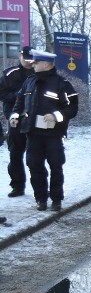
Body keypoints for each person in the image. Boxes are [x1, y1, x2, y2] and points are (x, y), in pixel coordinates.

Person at [9, 50, 78, 212]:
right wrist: (14, 116)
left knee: (56, 166)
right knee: (34, 166)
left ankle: (56, 199)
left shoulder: (62, 83)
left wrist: (56, 116)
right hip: (32, 134)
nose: (33, 65)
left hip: (53, 135)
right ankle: (41, 199)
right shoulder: (29, 82)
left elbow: (73, 108)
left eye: (36, 63)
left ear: (47, 64)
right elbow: (19, 103)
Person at [0, 46, 35, 197]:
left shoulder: (40, 74)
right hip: (15, 119)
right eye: (25, 57)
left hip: (34, 120)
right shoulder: (9, 74)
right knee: (15, 154)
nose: (28, 61)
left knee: (36, 155)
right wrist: (19, 96)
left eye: (30, 58)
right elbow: (2, 94)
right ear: (20, 56)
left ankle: (39, 189)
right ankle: (17, 186)